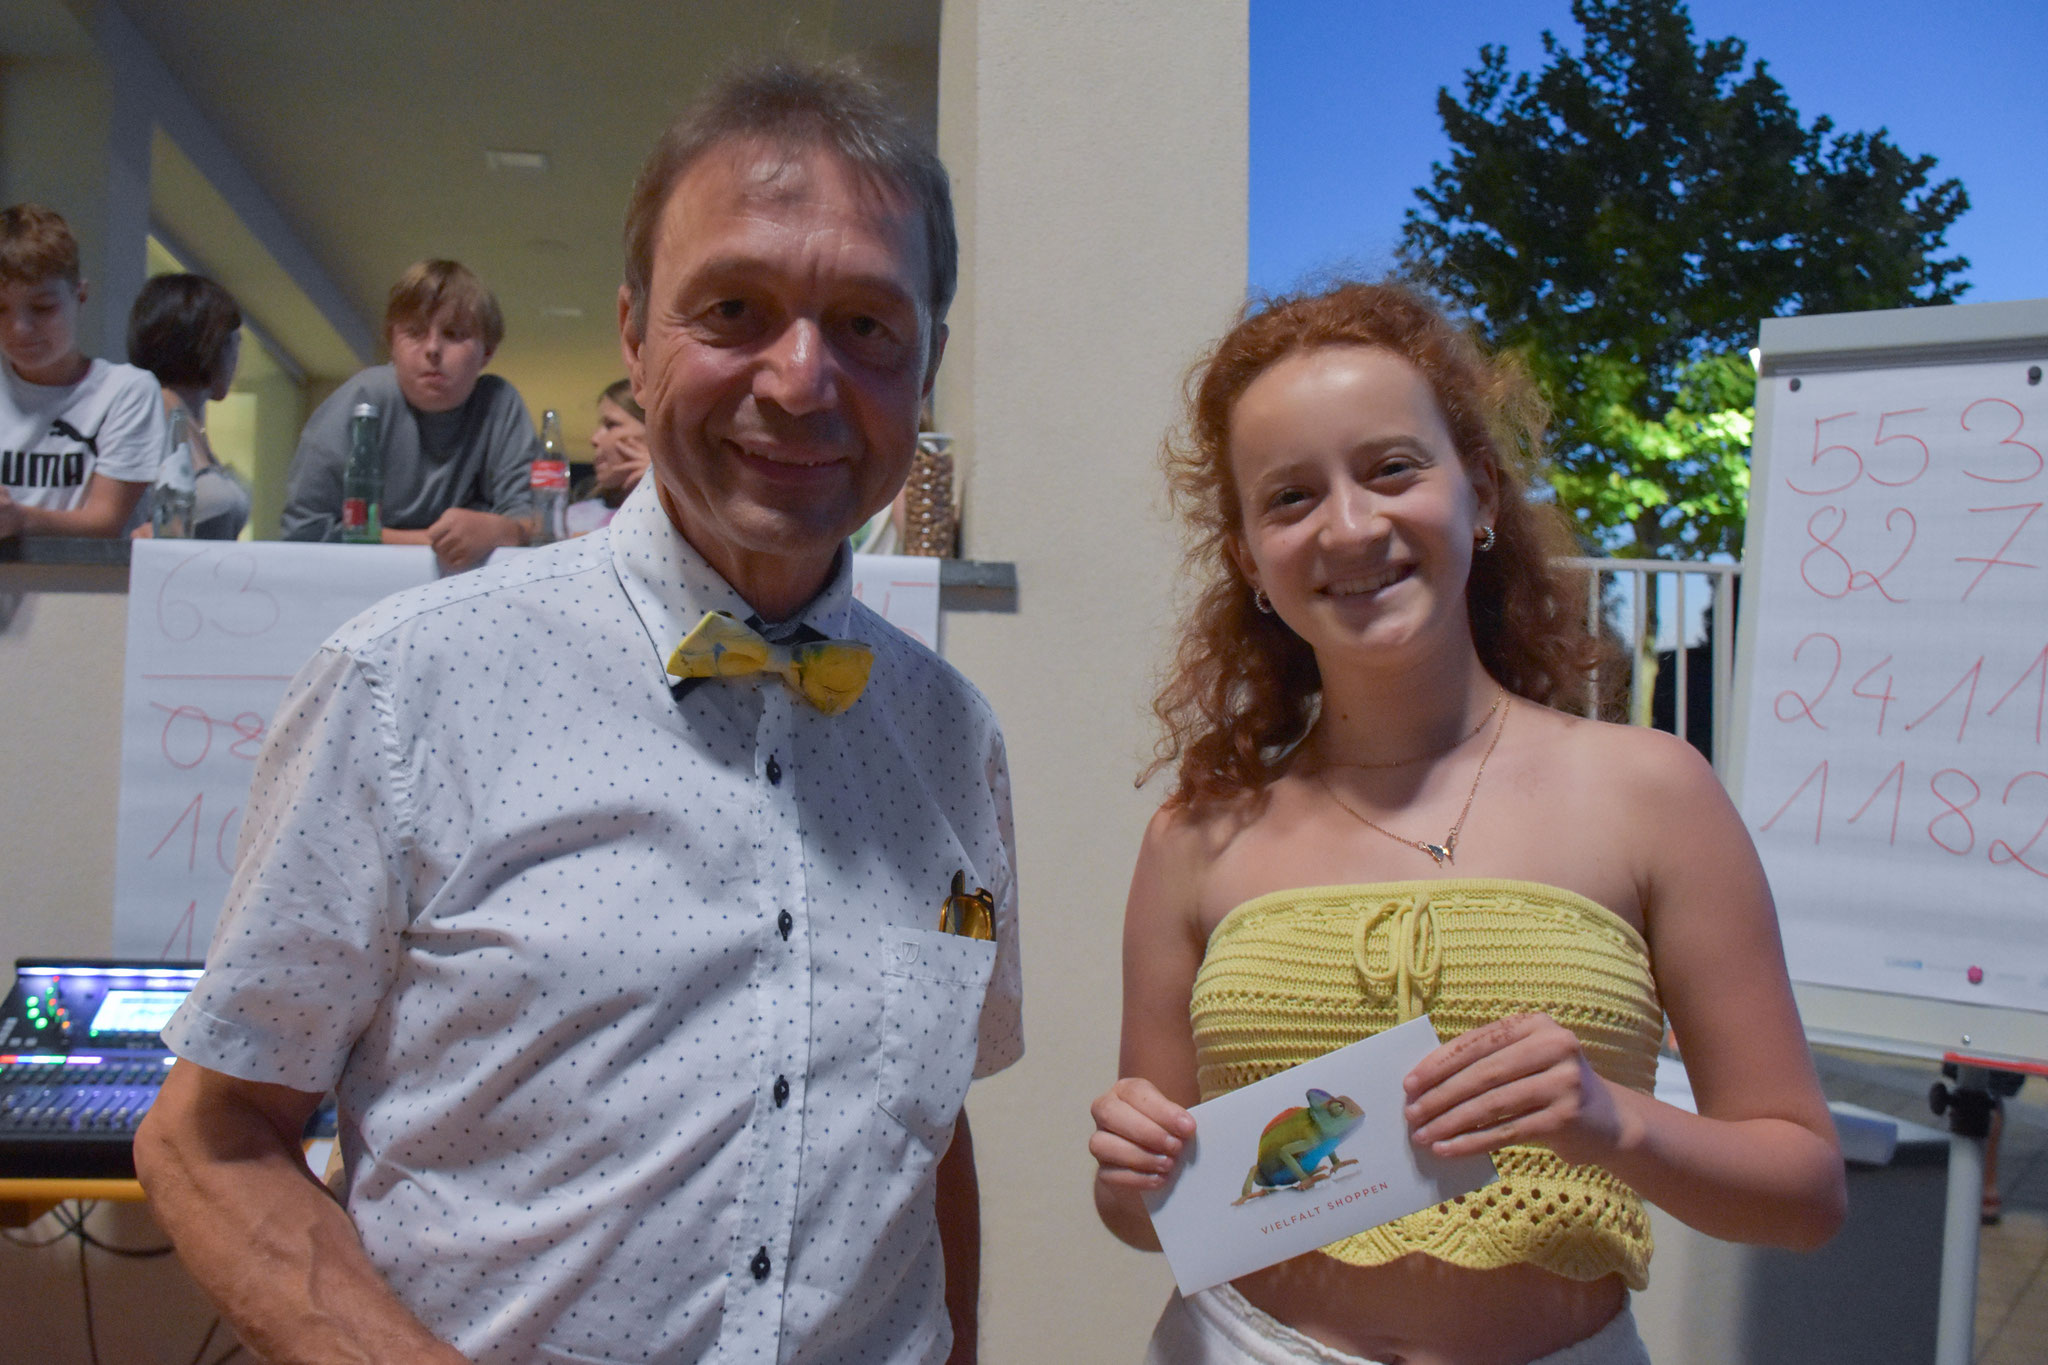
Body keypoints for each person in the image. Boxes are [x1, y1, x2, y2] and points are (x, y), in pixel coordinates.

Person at [135, 57, 1017, 1365]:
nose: (799, 379)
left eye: (867, 326)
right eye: (733, 309)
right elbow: (208, 1137)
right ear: (633, 333)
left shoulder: (954, 739)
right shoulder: (407, 687)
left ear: (926, 362)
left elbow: (923, 1136)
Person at [1088, 282, 1844, 1365]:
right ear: (1250, 558)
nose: (1351, 525)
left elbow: (1804, 1194)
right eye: (1290, 497)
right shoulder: (1193, 838)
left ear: (1479, 491)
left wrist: (1614, 1122)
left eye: (1392, 469)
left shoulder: (1653, 793)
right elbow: (1146, 1214)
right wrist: (1131, 1177)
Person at [277, 258, 538, 569]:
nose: (433, 349)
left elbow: (535, 520)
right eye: (414, 333)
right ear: (392, 344)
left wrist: (503, 531)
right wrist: (432, 542)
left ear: (487, 352)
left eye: (454, 334)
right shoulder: (364, 399)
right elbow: (305, 528)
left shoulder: (498, 403)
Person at [0, 202, 165, 539]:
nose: (20, 328)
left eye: (42, 308)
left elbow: (105, 521)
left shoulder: (125, 390)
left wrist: (20, 519)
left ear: (81, 295)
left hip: (84, 575)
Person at [126, 272, 253, 540]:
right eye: (234, 343)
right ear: (212, 344)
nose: (237, 360)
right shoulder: (152, 416)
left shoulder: (187, 421)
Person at [566, 377, 650, 534]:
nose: (594, 439)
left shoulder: (689, 516)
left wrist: (660, 482)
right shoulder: (576, 518)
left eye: (611, 425)